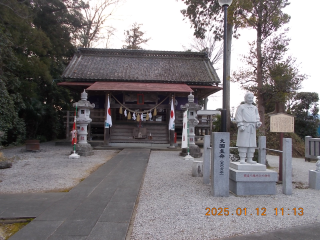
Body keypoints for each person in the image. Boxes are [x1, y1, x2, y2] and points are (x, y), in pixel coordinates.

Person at [235, 92, 262, 164]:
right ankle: (242, 158)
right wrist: (240, 124)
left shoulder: (254, 107)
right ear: (245, 99)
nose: (250, 99)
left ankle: (250, 158)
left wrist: (257, 122)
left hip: (252, 127)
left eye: (252, 98)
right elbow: (238, 116)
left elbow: (257, 116)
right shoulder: (241, 107)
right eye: (249, 98)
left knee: (252, 144)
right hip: (244, 126)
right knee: (243, 143)